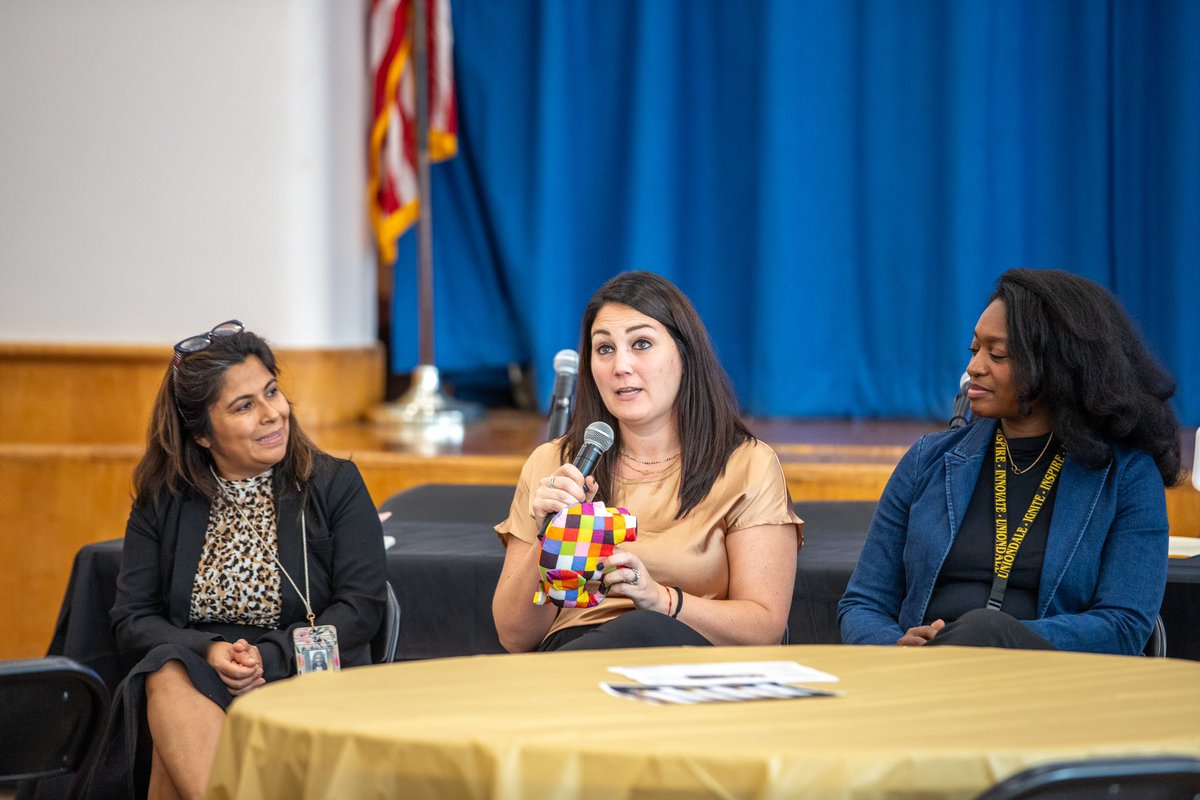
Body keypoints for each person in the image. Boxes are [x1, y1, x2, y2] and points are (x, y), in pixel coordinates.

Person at [85, 321, 387, 800]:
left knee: (170, 743)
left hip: (305, 672)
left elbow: (361, 609)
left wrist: (267, 659)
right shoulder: (164, 498)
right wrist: (211, 652)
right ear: (202, 434)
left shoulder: (334, 483)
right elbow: (133, 618)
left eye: (272, 392)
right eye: (244, 406)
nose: (272, 414)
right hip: (198, 671)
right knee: (168, 672)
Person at [838, 269, 1182, 654]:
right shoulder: (927, 460)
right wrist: (897, 646)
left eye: (996, 354)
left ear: (1056, 365)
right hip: (919, 680)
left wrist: (997, 640)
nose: (974, 368)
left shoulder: (1126, 475)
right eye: (974, 351)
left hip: (1051, 690)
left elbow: (1124, 625)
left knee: (981, 628)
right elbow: (862, 604)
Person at [492, 271, 803, 652]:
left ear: (685, 354)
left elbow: (764, 628)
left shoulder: (747, 465)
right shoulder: (556, 465)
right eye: (604, 349)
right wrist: (549, 537)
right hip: (574, 664)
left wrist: (660, 601)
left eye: (641, 344)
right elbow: (514, 637)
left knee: (644, 629)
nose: (621, 365)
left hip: (684, 664)